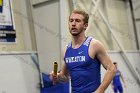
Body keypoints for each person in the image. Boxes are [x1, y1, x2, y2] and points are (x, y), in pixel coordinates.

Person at [50, 9, 116, 93]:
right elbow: (65, 77)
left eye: (77, 21)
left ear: (85, 25)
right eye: (71, 21)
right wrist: (57, 76)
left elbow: (112, 68)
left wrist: (99, 91)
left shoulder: (94, 45)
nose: (73, 24)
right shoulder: (66, 50)